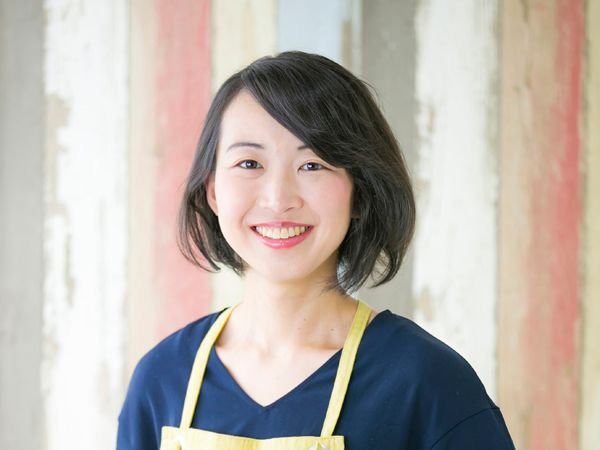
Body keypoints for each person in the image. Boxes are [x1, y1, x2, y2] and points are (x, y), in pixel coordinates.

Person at [117, 51, 515, 450]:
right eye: (249, 163)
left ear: (360, 193)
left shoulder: (426, 383)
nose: (278, 199)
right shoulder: (163, 379)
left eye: (312, 165)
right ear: (213, 191)